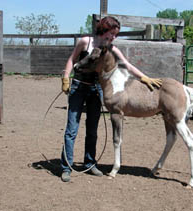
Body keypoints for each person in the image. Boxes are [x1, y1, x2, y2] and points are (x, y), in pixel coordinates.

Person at [60, 16, 162, 182]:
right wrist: (65, 77)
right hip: (78, 87)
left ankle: (89, 164)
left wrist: (145, 78)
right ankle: (66, 167)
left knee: (92, 130)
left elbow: (127, 66)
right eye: (112, 33)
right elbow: (72, 59)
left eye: (116, 35)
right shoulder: (85, 41)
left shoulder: (112, 49)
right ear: (103, 29)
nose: (114, 37)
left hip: (96, 89)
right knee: (72, 129)